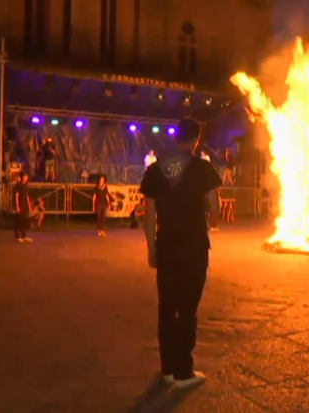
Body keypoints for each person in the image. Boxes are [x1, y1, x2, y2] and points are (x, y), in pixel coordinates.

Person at [141, 117, 222, 388]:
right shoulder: (202, 168)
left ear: (175, 137)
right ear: (196, 139)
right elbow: (214, 207)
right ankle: (183, 372)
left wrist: (152, 248)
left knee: (167, 307)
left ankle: (167, 368)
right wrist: (211, 218)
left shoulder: (155, 170)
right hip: (194, 247)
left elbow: (149, 214)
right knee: (187, 309)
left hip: (166, 246)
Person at [13, 172, 33, 242]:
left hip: (24, 204)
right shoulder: (18, 185)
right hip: (20, 204)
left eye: (27, 177)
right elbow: (16, 195)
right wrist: (17, 206)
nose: (26, 178)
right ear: (23, 177)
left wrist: (29, 205)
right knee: (19, 220)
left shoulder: (25, 185)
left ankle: (24, 235)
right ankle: (17, 236)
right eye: (25, 177)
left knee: (24, 220)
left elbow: (27, 196)